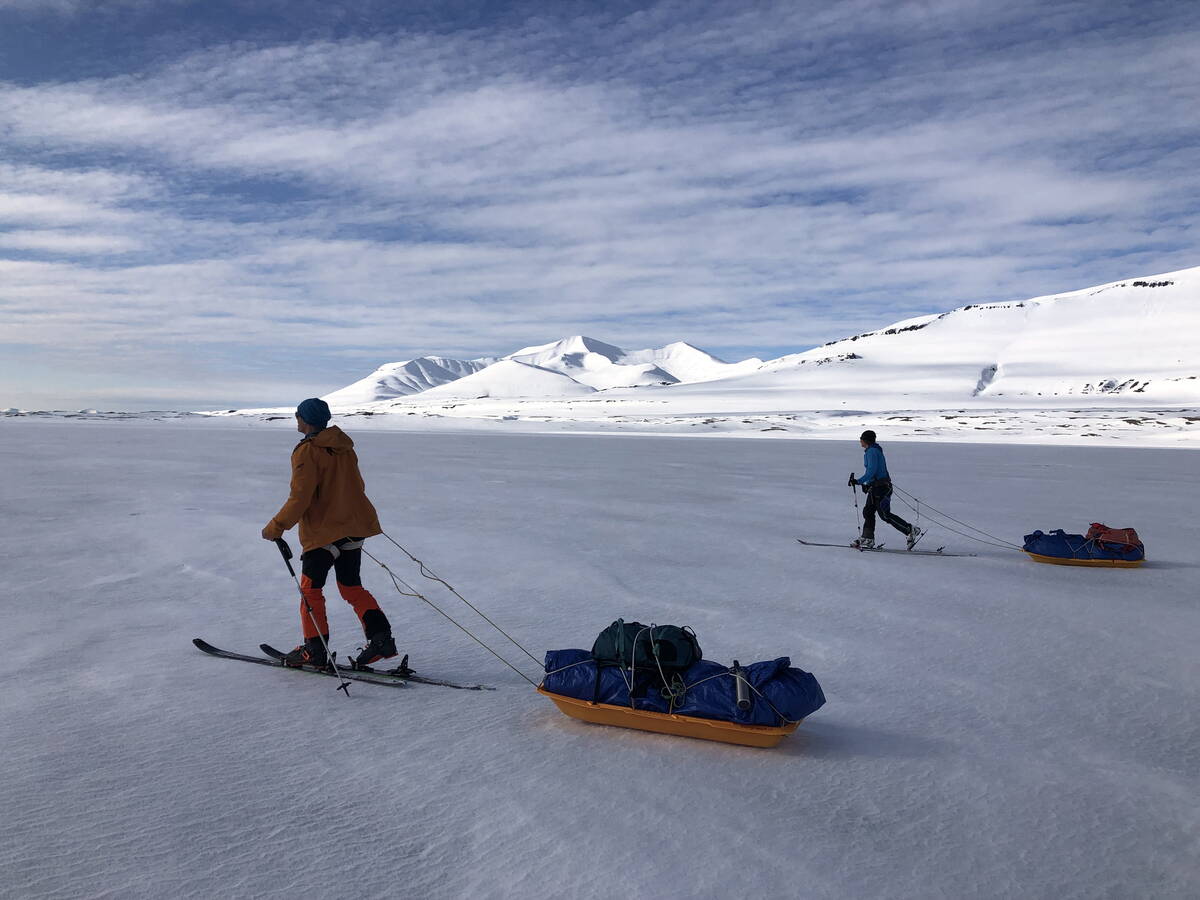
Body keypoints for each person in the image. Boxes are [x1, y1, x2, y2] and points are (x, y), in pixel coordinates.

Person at [261, 398, 398, 668]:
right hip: (353, 528)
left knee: (310, 591)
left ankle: (315, 650)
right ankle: (381, 641)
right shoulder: (344, 447)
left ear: (307, 419)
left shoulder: (307, 451)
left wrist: (276, 526)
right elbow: (355, 485)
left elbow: (300, 498)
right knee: (351, 587)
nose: (296, 420)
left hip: (324, 533)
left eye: (298, 415)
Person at [848, 430, 922, 550]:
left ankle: (910, 529)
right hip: (875, 487)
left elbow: (871, 471)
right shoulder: (871, 451)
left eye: (861, 438)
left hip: (881, 488)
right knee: (868, 512)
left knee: (884, 515)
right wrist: (867, 483)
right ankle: (868, 538)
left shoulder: (872, 452)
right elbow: (873, 472)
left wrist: (859, 481)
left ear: (865, 440)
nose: (860, 440)